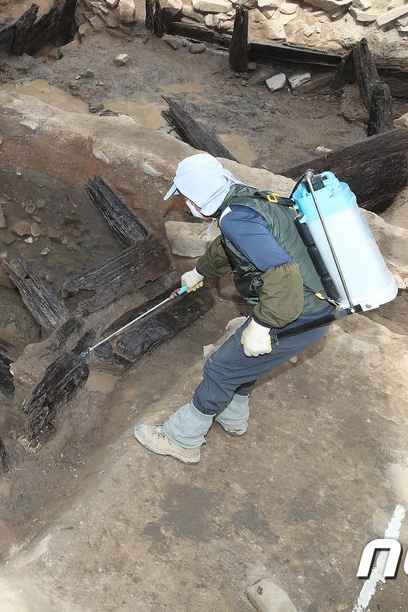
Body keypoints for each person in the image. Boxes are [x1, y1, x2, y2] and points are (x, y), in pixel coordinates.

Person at [134, 154, 335, 465]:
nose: (185, 204)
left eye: (186, 197)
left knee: (221, 368)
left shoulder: (236, 220)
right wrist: (200, 272)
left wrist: (264, 325)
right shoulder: (246, 200)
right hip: (314, 304)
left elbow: (282, 274)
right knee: (245, 362)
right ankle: (233, 418)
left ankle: (182, 440)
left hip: (297, 312)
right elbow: (230, 248)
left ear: (198, 198)